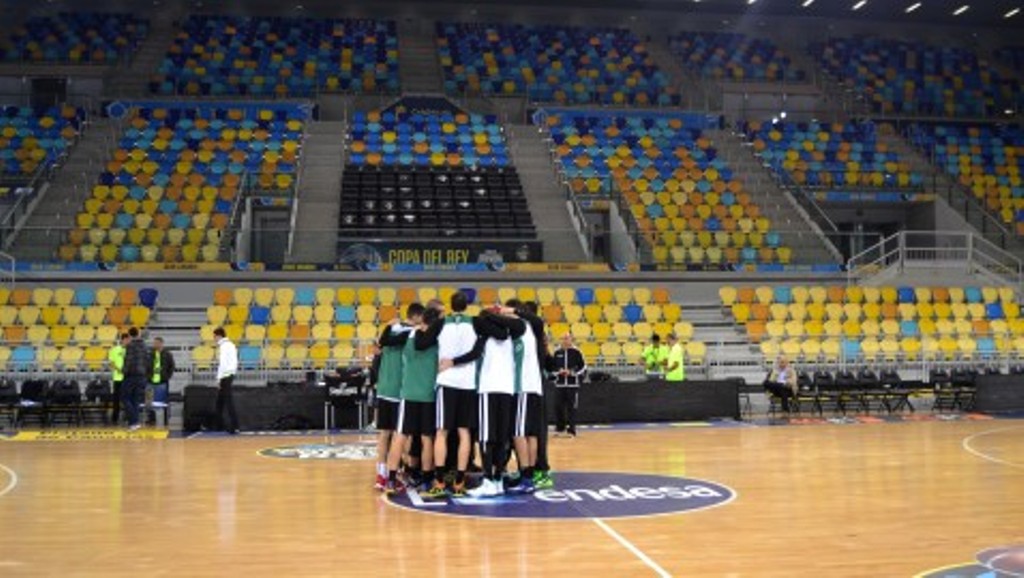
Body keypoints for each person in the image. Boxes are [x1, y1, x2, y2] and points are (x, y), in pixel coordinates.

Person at [419, 291, 479, 498]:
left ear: (451, 306)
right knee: (464, 433)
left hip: (446, 382)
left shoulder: (441, 323)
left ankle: (439, 481)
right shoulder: (475, 322)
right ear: (467, 305)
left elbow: (422, 343)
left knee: (442, 432)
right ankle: (460, 482)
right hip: (468, 383)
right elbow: (476, 353)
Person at [385, 304, 439, 494]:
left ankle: (390, 480)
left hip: (408, 393)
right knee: (427, 439)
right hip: (427, 395)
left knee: (400, 437)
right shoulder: (436, 340)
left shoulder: (408, 335)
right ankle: (426, 480)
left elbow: (385, 341)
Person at [467, 306, 520, 498]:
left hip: (489, 389)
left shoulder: (485, 336)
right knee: (500, 438)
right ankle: (497, 479)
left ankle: (490, 479)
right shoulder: (511, 334)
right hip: (506, 390)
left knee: (488, 438)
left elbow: (473, 354)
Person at [372, 305, 418, 491]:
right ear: (416, 317)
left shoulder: (390, 330)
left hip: (384, 389)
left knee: (384, 434)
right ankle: (400, 473)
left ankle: (381, 475)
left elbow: (379, 347)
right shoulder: (411, 333)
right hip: (400, 391)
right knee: (403, 436)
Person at [550, 333, 586, 438]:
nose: (565, 341)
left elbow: (583, 367)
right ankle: (560, 429)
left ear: (571, 340)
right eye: (563, 339)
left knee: (572, 408)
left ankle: (571, 430)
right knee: (558, 407)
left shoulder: (577, 352)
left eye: (567, 339)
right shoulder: (557, 352)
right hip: (559, 385)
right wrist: (559, 372)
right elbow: (552, 367)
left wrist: (571, 373)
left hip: (572, 385)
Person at [121, 327, 149, 431]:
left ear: (129, 335)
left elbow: (128, 361)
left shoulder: (130, 346)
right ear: (139, 334)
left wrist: (124, 371)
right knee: (135, 400)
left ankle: (134, 422)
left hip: (131, 375)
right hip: (142, 376)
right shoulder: (145, 346)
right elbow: (147, 361)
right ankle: (135, 423)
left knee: (125, 398)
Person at [213, 327, 239, 434]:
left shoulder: (224, 346)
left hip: (225, 376)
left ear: (219, 336)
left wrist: (219, 378)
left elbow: (222, 364)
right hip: (230, 374)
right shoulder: (232, 345)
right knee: (220, 402)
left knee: (228, 402)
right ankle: (218, 425)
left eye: (214, 336)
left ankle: (234, 426)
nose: (214, 338)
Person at [146, 337, 175, 426]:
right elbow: (145, 366)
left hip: (162, 381)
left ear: (162, 343)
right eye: (154, 343)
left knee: (163, 401)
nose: (155, 345)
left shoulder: (168, 354)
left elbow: (172, 366)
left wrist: (167, 377)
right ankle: (151, 419)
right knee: (149, 401)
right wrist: (147, 376)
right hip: (150, 381)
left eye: (157, 343)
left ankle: (164, 419)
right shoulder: (150, 353)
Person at [107, 333, 128, 425]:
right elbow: (111, 363)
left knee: (128, 399)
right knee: (116, 400)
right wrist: (118, 369)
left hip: (128, 378)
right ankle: (115, 418)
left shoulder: (131, 350)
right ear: (123, 339)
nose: (128, 341)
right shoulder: (114, 350)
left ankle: (127, 418)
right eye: (127, 339)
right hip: (118, 378)